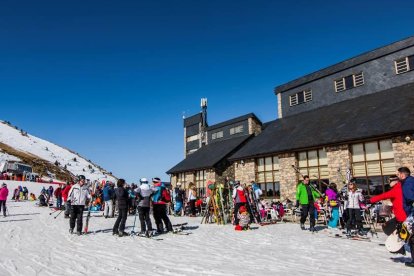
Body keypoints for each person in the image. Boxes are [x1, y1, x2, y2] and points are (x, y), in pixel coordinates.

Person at [397, 167, 414, 267]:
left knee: (412, 239)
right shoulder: (410, 181)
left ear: (403, 175)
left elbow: (409, 198)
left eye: (398, 174)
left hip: (411, 214)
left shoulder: (407, 184)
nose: (397, 176)